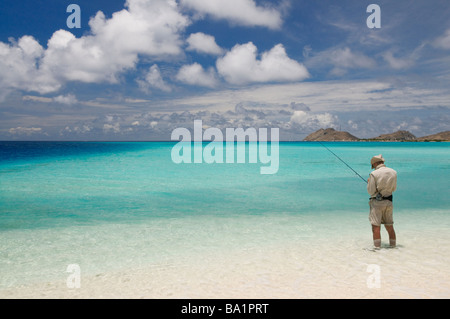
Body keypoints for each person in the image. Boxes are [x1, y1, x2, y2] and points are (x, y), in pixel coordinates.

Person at [367, 154, 397, 249]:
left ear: (375, 163)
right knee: (389, 226)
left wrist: (369, 182)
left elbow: (370, 191)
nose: (373, 167)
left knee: (376, 227)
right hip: (389, 201)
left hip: (377, 203)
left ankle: (377, 250)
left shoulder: (374, 174)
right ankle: (393, 247)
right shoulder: (393, 172)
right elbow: (394, 188)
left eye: (373, 165)